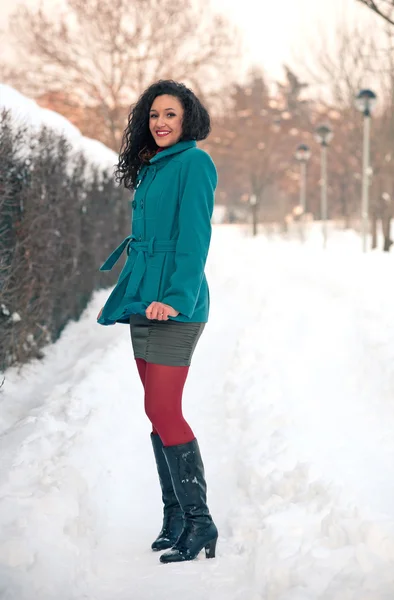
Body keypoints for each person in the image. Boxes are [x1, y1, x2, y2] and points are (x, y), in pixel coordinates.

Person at [97, 80, 218, 564]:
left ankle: (201, 522)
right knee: (154, 409)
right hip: (142, 299)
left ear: (187, 118)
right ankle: (175, 517)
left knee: (166, 409)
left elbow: (195, 237)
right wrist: (142, 294)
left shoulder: (195, 163)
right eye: (153, 115)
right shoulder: (151, 168)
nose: (161, 122)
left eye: (170, 114)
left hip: (174, 304)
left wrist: (175, 297)